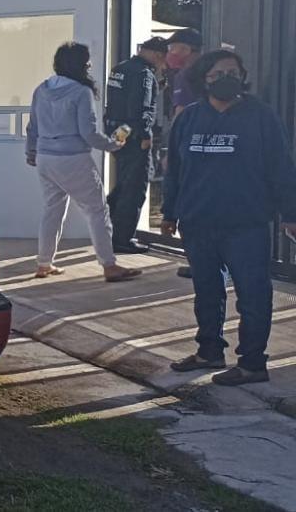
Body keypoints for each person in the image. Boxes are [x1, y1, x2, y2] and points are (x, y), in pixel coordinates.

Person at [162, 50, 296, 386]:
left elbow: (281, 168)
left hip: (245, 224)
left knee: (253, 294)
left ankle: (252, 363)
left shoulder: (261, 116)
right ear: (204, 80)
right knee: (207, 291)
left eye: (232, 72)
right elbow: (175, 172)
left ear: (242, 76)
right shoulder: (188, 119)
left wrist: (290, 213)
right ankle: (209, 351)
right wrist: (168, 211)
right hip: (197, 221)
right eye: (218, 74)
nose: (226, 79)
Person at [27, 42, 142, 282]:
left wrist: (31, 151)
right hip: (73, 159)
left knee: (52, 210)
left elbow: (33, 127)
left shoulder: (41, 89)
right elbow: (88, 133)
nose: (90, 64)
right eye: (87, 61)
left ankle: (44, 264)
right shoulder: (81, 92)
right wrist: (113, 145)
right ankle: (109, 265)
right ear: (81, 64)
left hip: (45, 158)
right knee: (97, 211)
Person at [105, 37, 168, 253]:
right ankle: (123, 239)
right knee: (135, 187)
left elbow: (119, 103)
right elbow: (140, 108)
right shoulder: (143, 74)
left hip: (118, 133)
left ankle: (108, 230)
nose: (163, 65)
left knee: (123, 182)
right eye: (163, 60)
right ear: (158, 55)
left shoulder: (120, 68)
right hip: (134, 135)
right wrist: (145, 135)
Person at [165, 28, 204, 279]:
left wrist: (172, 151)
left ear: (188, 50)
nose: (171, 54)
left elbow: (180, 115)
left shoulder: (185, 76)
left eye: (174, 48)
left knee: (190, 203)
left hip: (190, 146)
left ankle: (198, 260)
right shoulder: (210, 72)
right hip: (212, 146)